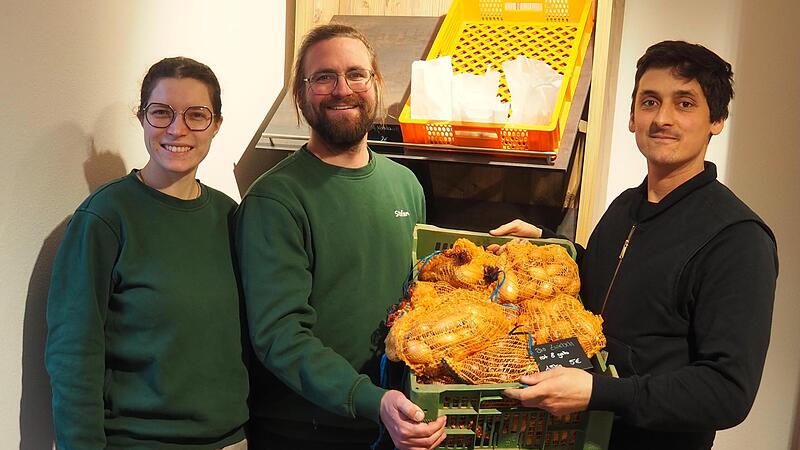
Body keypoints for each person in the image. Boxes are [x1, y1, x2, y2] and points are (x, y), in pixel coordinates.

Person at [491, 41, 778, 450]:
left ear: (716, 120)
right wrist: (549, 244)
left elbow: (727, 391)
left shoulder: (738, 239)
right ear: (632, 117)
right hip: (576, 436)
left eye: (684, 104)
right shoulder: (626, 205)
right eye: (649, 102)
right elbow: (619, 286)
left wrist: (600, 393)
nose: (662, 118)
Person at [234, 24, 447, 450]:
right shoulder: (276, 199)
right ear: (301, 94)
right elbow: (280, 335)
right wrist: (371, 399)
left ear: (376, 84)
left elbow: (418, 302)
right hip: (305, 431)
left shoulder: (406, 185)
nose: (342, 89)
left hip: (394, 423)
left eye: (356, 74)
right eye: (324, 77)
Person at [45, 57, 249, 449]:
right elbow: (73, 355)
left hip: (230, 440)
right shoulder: (105, 219)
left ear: (217, 124)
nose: (178, 129)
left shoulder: (231, 216)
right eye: (161, 113)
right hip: (139, 441)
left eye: (197, 115)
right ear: (142, 118)